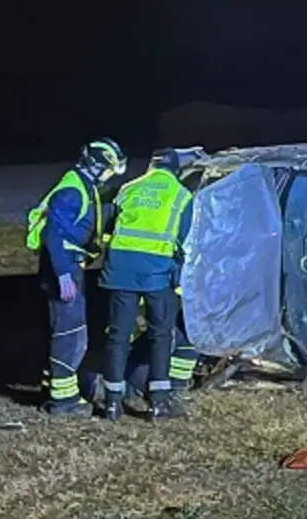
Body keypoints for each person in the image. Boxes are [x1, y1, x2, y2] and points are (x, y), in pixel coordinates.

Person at [26, 138, 127, 416]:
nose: (109, 175)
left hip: (70, 265)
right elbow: (54, 234)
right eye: (109, 169)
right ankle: (64, 401)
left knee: (68, 332)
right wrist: (63, 275)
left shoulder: (83, 185)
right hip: (64, 267)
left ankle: (55, 390)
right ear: (97, 166)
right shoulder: (73, 190)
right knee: (70, 334)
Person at [99, 150, 194, 421]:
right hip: (157, 275)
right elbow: (184, 241)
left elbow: (108, 228)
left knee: (118, 336)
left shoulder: (128, 188)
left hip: (121, 271)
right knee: (160, 336)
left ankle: (112, 404)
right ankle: (158, 404)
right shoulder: (181, 195)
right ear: (176, 170)